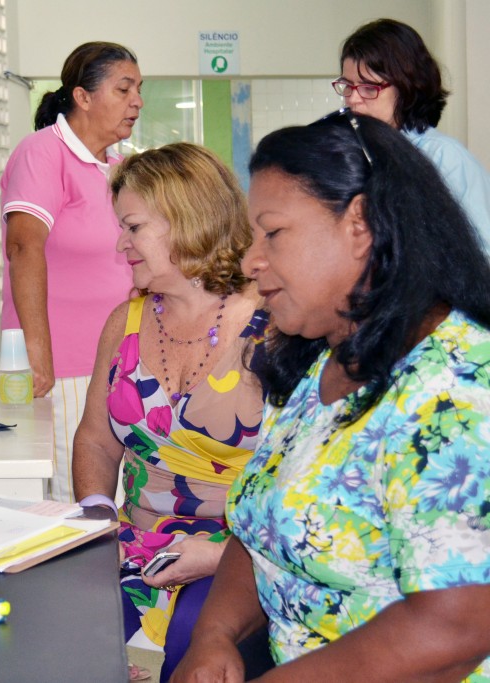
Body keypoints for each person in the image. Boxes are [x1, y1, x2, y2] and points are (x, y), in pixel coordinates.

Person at [172, 111, 490, 682]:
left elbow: (459, 627)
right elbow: (263, 527)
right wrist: (214, 635)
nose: (251, 261)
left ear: (359, 224)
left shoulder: (458, 387)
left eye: (274, 233)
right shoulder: (321, 363)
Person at [72, 143, 267, 681]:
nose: (121, 244)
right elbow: (95, 439)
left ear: (186, 222)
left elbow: (307, 480)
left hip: (237, 554)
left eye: (133, 227)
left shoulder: (273, 327)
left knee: (191, 642)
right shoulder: (125, 321)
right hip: (133, 548)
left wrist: (223, 554)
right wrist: (96, 521)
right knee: (66, 632)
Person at [0, 41, 143, 502]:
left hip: (121, 365)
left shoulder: (120, 170)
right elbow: (23, 245)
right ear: (83, 97)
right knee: (77, 508)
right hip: (65, 372)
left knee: (120, 504)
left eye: (139, 89)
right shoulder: (44, 153)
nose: (136, 101)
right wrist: (39, 354)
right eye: (124, 90)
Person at [336, 18, 490, 249]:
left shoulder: (445, 158)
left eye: (369, 88)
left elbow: (482, 254)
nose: (353, 100)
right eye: (348, 86)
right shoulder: (362, 155)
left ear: (406, 88)